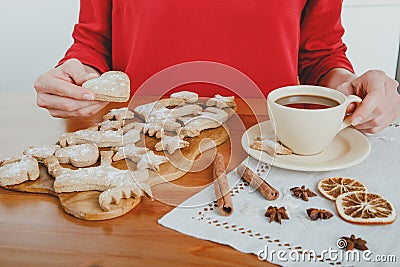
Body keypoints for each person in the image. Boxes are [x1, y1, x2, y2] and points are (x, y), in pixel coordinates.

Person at [34, 0, 399, 134]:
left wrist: (351, 87)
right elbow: (93, 44)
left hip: (274, 147)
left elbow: (319, 58)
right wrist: (76, 74)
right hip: (138, 149)